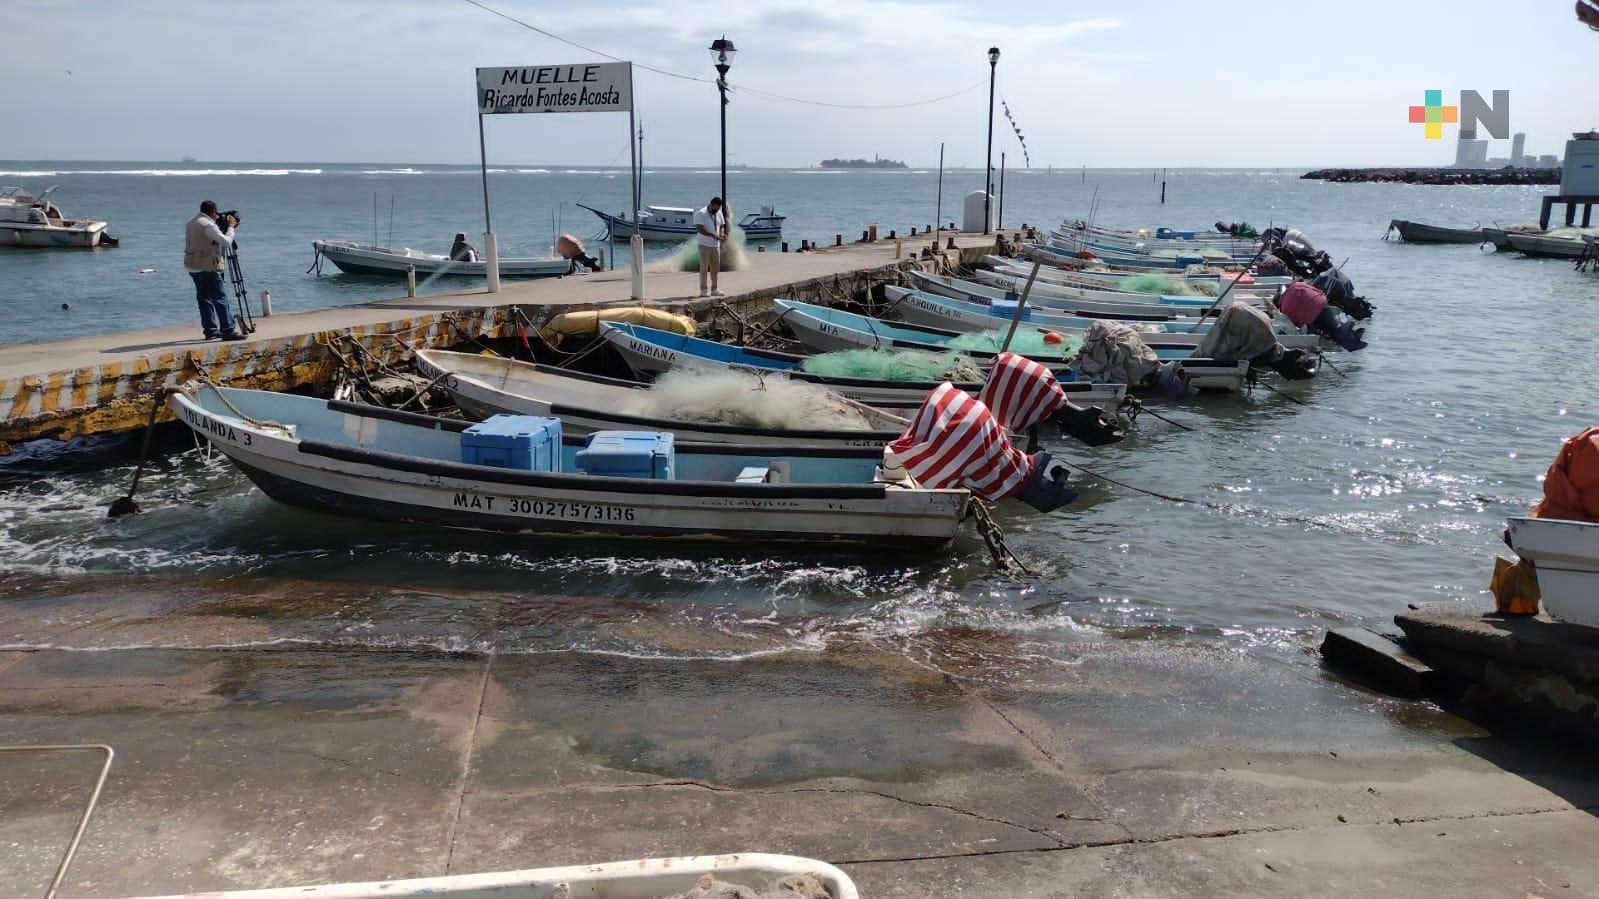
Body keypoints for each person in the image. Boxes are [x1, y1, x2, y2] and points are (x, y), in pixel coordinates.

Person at [184, 200, 244, 340]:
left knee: (204, 298)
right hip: (207, 266)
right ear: (213, 211)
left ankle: (210, 330)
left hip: (192, 265)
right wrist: (231, 227)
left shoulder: (191, 221)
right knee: (220, 297)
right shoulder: (208, 225)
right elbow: (227, 242)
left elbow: (204, 240)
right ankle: (228, 330)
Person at [694, 196, 727, 297]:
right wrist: (712, 235)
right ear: (711, 204)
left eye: (718, 209)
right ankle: (703, 290)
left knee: (715, 268)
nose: (716, 211)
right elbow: (699, 229)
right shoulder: (701, 213)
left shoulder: (719, 212)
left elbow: (721, 225)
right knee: (704, 268)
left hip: (715, 245)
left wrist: (721, 234)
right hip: (704, 245)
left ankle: (714, 289)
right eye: (715, 208)